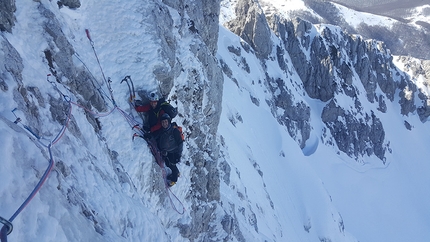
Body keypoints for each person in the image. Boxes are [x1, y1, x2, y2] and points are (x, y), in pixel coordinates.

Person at [157, 113, 183, 186]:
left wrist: (178, 155)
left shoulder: (174, 131)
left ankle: (174, 180)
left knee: (172, 165)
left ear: (169, 121)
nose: (164, 123)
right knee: (169, 164)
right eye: (163, 122)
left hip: (174, 152)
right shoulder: (162, 131)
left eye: (166, 121)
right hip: (167, 152)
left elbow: (180, 143)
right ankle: (177, 173)